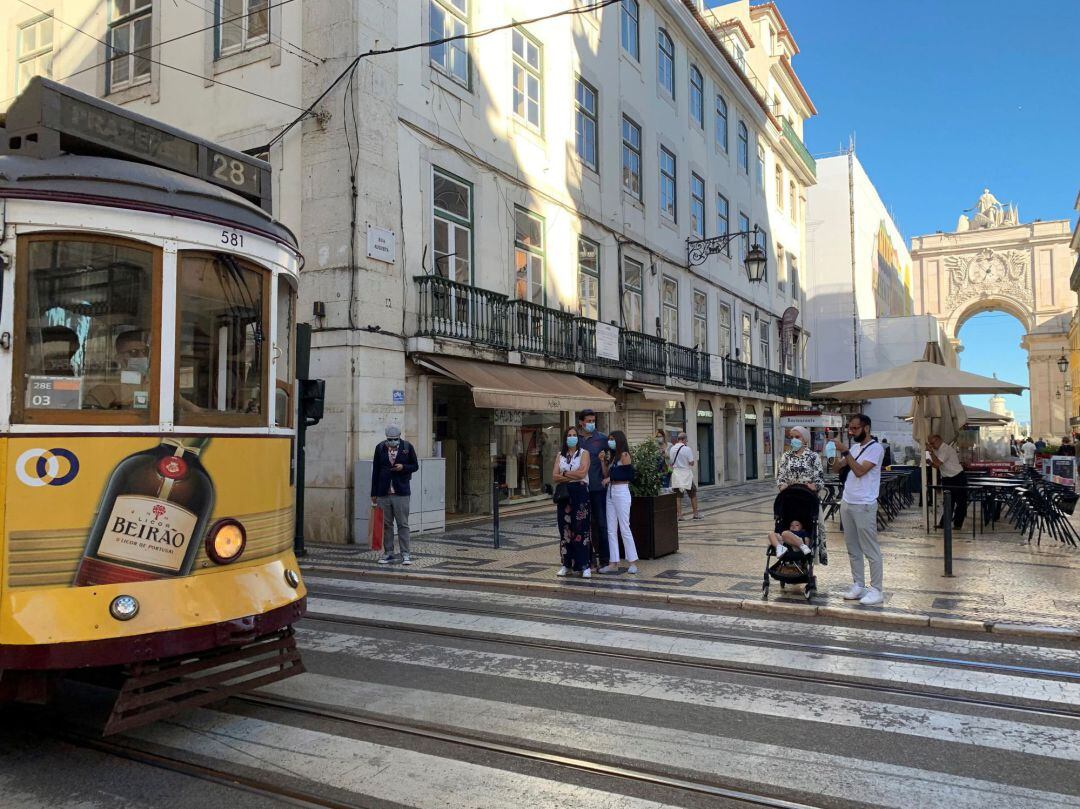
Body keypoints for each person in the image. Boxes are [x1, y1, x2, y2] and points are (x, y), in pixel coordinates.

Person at [834, 414, 886, 606]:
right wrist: (833, 454)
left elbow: (859, 471)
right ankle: (858, 584)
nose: (851, 431)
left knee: (870, 548)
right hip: (847, 502)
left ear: (866, 428)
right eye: (850, 428)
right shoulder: (855, 448)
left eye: (855, 428)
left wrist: (846, 453)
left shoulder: (876, 449)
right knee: (852, 547)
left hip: (864, 504)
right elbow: (836, 469)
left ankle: (877, 589)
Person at [370, 425, 420, 565]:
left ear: (399, 437)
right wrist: (374, 493)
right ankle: (388, 553)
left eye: (395, 439)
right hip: (383, 492)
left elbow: (415, 466)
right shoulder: (380, 448)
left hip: (401, 492)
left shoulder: (407, 447)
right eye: (389, 439)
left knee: (403, 524)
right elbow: (376, 471)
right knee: (386, 525)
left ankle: (406, 554)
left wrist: (403, 467)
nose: (392, 442)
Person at [553, 426, 592, 578]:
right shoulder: (560, 455)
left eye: (574, 435)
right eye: (569, 435)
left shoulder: (584, 453)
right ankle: (566, 564)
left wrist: (564, 474)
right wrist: (572, 476)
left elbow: (583, 473)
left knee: (581, 529)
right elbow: (555, 476)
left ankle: (585, 565)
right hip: (564, 495)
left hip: (580, 494)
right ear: (565, 438)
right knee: (565, 529)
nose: (572, 437)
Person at [599, 430, 639, 574]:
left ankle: (632, 561)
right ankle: (613, 562)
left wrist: (609, 479)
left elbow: (627, 474)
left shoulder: (625, 455)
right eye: (609, 439)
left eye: (612, 439)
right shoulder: (614, 457)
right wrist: (603, 461)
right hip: (611, 492)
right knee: (611, 528)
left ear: (619, 440)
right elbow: (606, 475)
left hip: (621, 491)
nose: (610, 441)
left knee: (624, 527)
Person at [577, 409, 609, 569]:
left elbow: (612, 460)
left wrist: (608, 477)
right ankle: (588, 559)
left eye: (593, 421)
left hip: (598, 489)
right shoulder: (576, 439)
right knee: (584, 525)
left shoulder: (602, 438)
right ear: (581, 422)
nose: (591, 424)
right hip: (581, 489)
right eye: (588, 421)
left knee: (601, 524)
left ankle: (605, 559)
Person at [927, 434, 967, 529]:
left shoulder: (945, 449)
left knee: (960, 503)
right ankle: (944, 523)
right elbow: (937, 466)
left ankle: (958, 524)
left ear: (938, 440)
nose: (931, 445)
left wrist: (931, 453)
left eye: (932, 443)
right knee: (948, 502)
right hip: (947, 478)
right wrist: (930, 462)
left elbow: (937, 463)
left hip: (957, 477)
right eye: (930, 444)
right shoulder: (938, 450)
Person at [777, 426, 823, 492]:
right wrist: (781, 485)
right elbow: (781, 475)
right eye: (792, 437)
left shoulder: (814, 456)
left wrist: (815, 486)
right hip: (790, 494)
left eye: (797, 437)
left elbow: (819, 477)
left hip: (808, 494)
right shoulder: (786, 456)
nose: (793, 439)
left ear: (805, 439)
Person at [668, 433, 702, 520]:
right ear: (683, 439)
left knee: (678, 496)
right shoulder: (687, 449)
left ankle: (679, 515)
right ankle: (695, 514)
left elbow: (671, 463)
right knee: (693, 494)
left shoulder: (672, 449)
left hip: (676, 474)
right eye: (686, 440)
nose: (687, 441)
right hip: (686, 474)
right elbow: (691, 463)